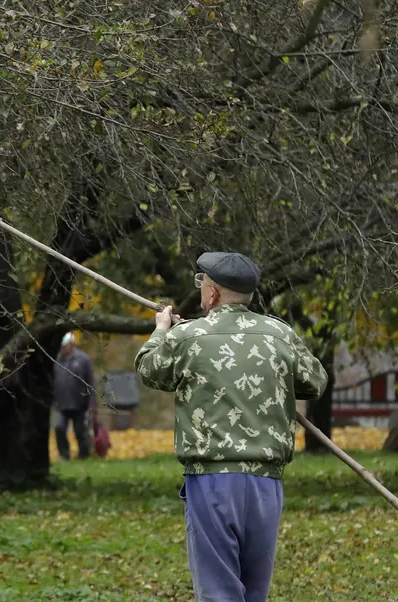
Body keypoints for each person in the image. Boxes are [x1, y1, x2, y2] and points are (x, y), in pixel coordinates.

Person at [134, 252, 328, 602]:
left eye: (202, 284)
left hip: (212, 480)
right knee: (255, 590)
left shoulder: (188, 337)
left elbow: (149, 369)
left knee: (219, 590)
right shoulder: (279, 335)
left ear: (212, 293)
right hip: (266, 482)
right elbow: (315, 381)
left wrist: (162, 330)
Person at [53, 332, 95, 460]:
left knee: (80, 432)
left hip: (79, 404)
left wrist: (92, 404)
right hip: (61, 403)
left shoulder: (83, 359)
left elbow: (90, 383)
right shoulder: (56, 359)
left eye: (64, 346)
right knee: (59, 428)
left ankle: (84, 455)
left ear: (71, 344)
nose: (62, 349)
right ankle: (64, 455)